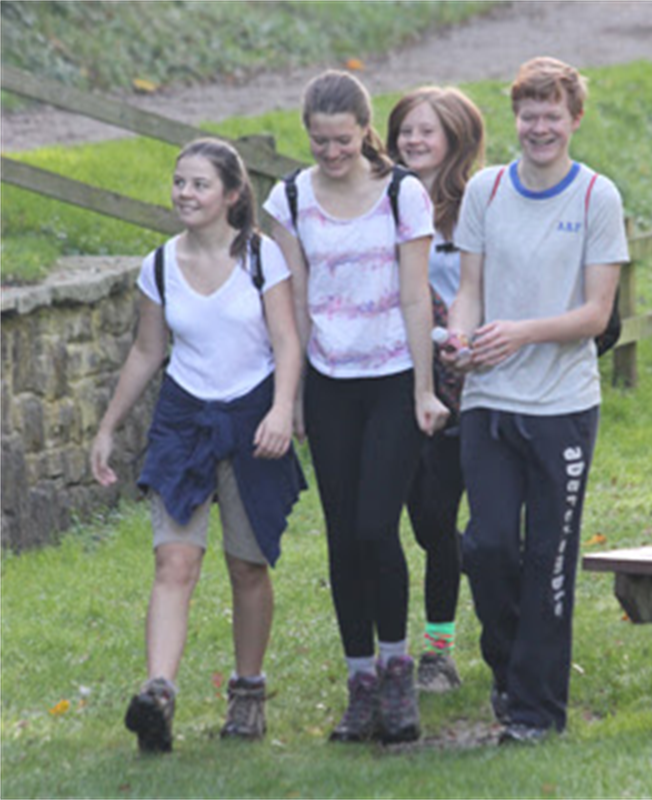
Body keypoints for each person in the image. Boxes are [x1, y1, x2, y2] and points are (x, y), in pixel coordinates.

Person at [90, 137, 306, 753]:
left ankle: (247, 692)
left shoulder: (264, 259)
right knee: (174, 561)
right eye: (179, 182)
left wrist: (281, 411)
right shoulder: (159, 264)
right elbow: (146, 351)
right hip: (183, 419)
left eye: (199, 184)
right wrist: (107, 426)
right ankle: (158, 693)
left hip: (251, 415)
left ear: (232, 195)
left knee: (246, 563)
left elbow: (287, 341)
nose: (185, 193)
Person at [444, 57, 629, 744]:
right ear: (515, 119)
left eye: (553, 115)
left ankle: (535, 712)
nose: (540, 127)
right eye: (529, 115)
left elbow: (595, 314)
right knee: (487, 546)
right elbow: (468, 288)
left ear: (574, 119)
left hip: (563, 407)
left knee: (550, 559)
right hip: (489, 400)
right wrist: (460, 337)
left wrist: (520, 332)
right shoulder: (486, 192)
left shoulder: (594, 199)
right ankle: (509, 668)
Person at [264, 70, 449, 745]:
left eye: (342, 140)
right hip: (331, 380)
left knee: (377, 527)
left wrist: (426, 388)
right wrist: (296, 397)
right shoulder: (289, 198)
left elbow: (416, 297)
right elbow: (294, 302)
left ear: (365, 131)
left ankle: (400, 670)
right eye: (319, 142)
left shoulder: (403, 195)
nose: (331, 153)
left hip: (393, 376)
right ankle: (361, 681)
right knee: (343, 537)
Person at [386, 86, 485, 693]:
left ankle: (439, 650)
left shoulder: (475, 206)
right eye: (405, 130)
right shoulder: (382, 205)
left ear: (456, 139)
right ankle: (490, 560)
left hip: (461, 385)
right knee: (420, 525)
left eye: (427, 131)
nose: (414, 141)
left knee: (436, 511)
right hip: (391, 379)